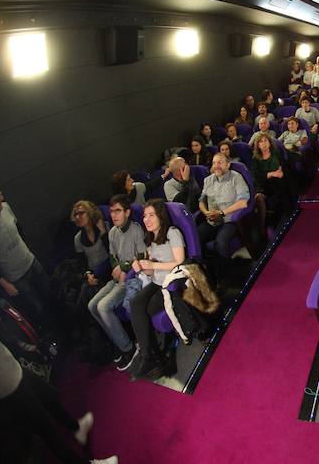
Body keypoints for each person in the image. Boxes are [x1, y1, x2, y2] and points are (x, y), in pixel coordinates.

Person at [0, 267, 120, 464]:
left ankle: (77, 428)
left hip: (12, 369)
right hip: (3, 387)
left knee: (50, 396)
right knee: (48, 431)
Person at [0, 179, 56, 333]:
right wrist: (5, 284)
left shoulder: (5, 208)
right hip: (16, 277)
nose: (2, 198)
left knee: (50, 291)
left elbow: (18, 229)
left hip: (31, 261)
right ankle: (56, 332)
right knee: (38, 308)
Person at [128, 199, 186, 379]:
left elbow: (180, 262)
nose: (146, 219)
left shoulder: (172, 233)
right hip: (157, 281)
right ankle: (149, 356)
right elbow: (152, 270)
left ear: (161, 215)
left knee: (147, 308)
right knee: (135, 302)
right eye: (145, 216)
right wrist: (142, 267)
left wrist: (152, 264)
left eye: (151, 215)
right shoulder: (150, 239)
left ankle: (154, 355)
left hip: (172, 281)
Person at [87, 195, 146, 370]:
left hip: (131, 278)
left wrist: (123, 267)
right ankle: (118, 341)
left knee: (103, 306)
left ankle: (128, 347)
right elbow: (113, 257)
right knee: (92, 305)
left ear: (127, 212)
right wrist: (117, 266)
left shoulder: (136, 229)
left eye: (118, 211)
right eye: (111, 211)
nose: (113, 215)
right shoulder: (112, 232)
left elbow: (142, 257)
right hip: (117, 277)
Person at [197, 153, 250, 260]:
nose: (216, 166)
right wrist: (206, 212)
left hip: (229, 220)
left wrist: (221, 213)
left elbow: (243, 202)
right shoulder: (208, 180)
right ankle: (206, 268)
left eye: (220, 162)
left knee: (221, 243)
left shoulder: (236, 177)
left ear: (228, 165)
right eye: (214, 163)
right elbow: (201, 201)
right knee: (195, 238)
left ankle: (226, 270)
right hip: (211, 220)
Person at [69, 200, 111, 310]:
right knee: (85, 291)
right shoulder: (78, 238)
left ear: (90, 213)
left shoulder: (104, 226)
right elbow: (82, 263)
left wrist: (103, 233)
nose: (78, 217)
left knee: (86, 292)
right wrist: (88, 275)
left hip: (109, 268)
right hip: (94, 273)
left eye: (81, 213)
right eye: (76, 214)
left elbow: (112, 251)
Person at [251, 132, 295, 228]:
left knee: (283, 179)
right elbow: (257, 176)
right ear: (257, 145)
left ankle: (288, 212)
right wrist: (271, 174)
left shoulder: (275, 152)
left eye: (265, 141)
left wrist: (280, 170)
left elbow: (282, 163)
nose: (264, 143)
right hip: (264, 182)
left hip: (278, 178)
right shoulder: (255, 158)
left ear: (269, 142)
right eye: (261, 142)